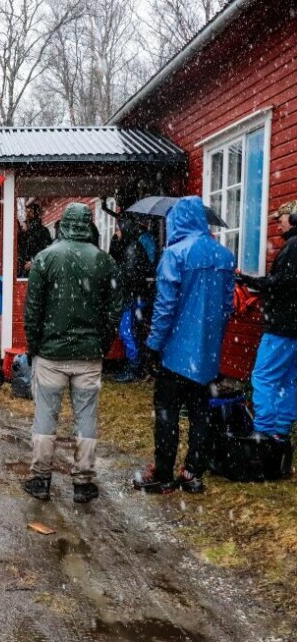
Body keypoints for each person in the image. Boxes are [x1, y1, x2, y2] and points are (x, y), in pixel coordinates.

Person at [134, 196, 235, 494]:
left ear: (177, 220)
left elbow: (165, 308)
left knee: (167, 412)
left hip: (176, 353)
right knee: (200, 413)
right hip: (206, 354)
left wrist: (153, 345)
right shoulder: (225, 257)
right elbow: (227, 307)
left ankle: (163, 474)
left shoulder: (175, 254)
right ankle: (192, 473)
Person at [23, 203, 122, 504]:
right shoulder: (104, 262)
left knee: (45, 417)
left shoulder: (45, 258)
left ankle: (41, 479)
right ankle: (82, 481)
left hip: (51, 354)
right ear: (89, 224)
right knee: (86, 417)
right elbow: (114, 311)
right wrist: (101, 344)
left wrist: (34, 346)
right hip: (89, 355)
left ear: (63, 224)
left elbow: (33, 311)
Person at [237, 201, 297, 442]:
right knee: (289, 379)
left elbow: (282, 284)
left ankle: (263, 430)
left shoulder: (293, 246)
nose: (278, 223)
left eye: (280, 218)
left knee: (263, 376)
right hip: (293, 327)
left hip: (282, 326)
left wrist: (249, 280)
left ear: (293, 218)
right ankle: (281, 432)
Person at [114, 218, 156, 383]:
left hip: (132, 299)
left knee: (128, 331)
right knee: (132, 331)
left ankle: (134, 368)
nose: (116, 233)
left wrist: (119, 283)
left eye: (118, 229)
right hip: (136, 297)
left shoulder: (132, 249)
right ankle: (134, 365)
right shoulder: (132, 246)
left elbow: (130, 277)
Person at [17, 203, 52, 277]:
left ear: (36, 214)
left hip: (35, 270)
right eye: (26, 212)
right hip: (22, 269)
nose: (27, 215)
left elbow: (47, 250)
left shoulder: (42, 231)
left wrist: (34, 261)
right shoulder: (23, 230)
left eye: (30, 212)